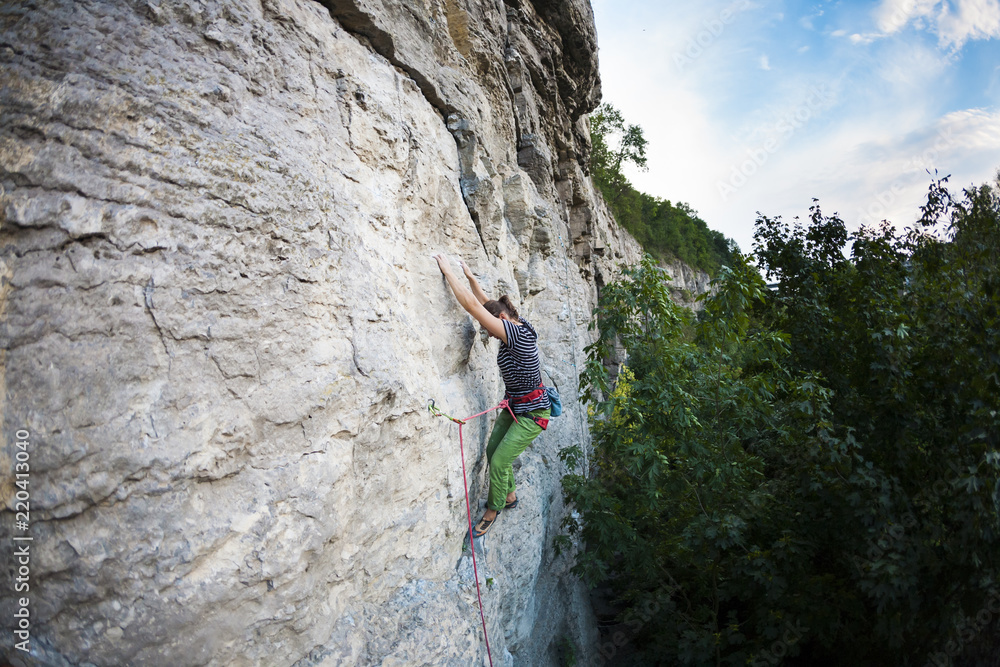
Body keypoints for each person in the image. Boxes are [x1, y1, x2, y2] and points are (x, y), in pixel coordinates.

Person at [434, 254, 551, 538]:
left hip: (533, 414)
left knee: (499, 461)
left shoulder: (516, 335)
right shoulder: (516, 323)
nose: (488, 334)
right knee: (492, 452)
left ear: (501, 322)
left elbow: (475, 307)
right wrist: (471, 278)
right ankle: (509, 494)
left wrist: (448, 273)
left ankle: (494, 508)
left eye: (490, 329)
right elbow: (487, 304)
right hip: (516, 406)